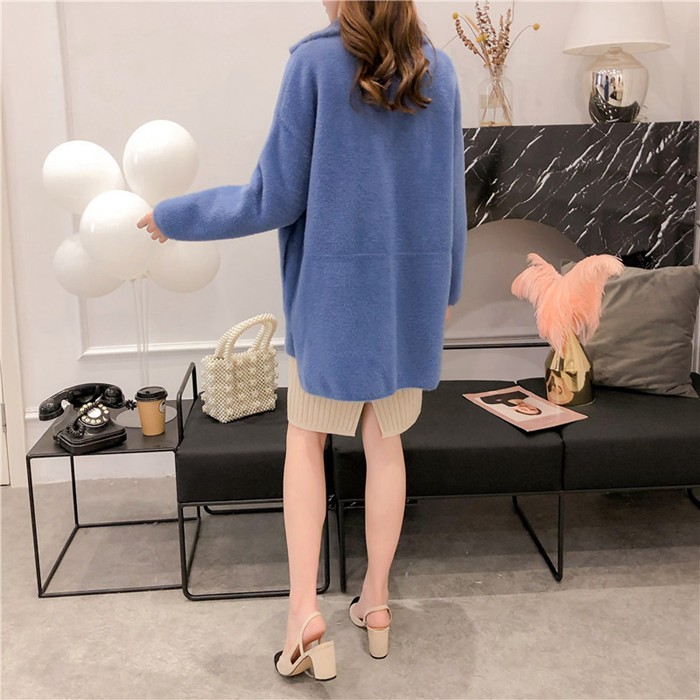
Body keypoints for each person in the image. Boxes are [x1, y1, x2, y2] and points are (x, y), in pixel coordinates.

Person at [137, 0, 466, 681]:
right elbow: (451, 198)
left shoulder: (313, 63)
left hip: (334, 300)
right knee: (386, 443)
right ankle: (376, 603)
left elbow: (272, 196)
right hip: (408, 298)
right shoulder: (440, 68)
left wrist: (175, 216)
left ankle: (303, 616)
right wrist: (447, 289)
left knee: (306, 441)